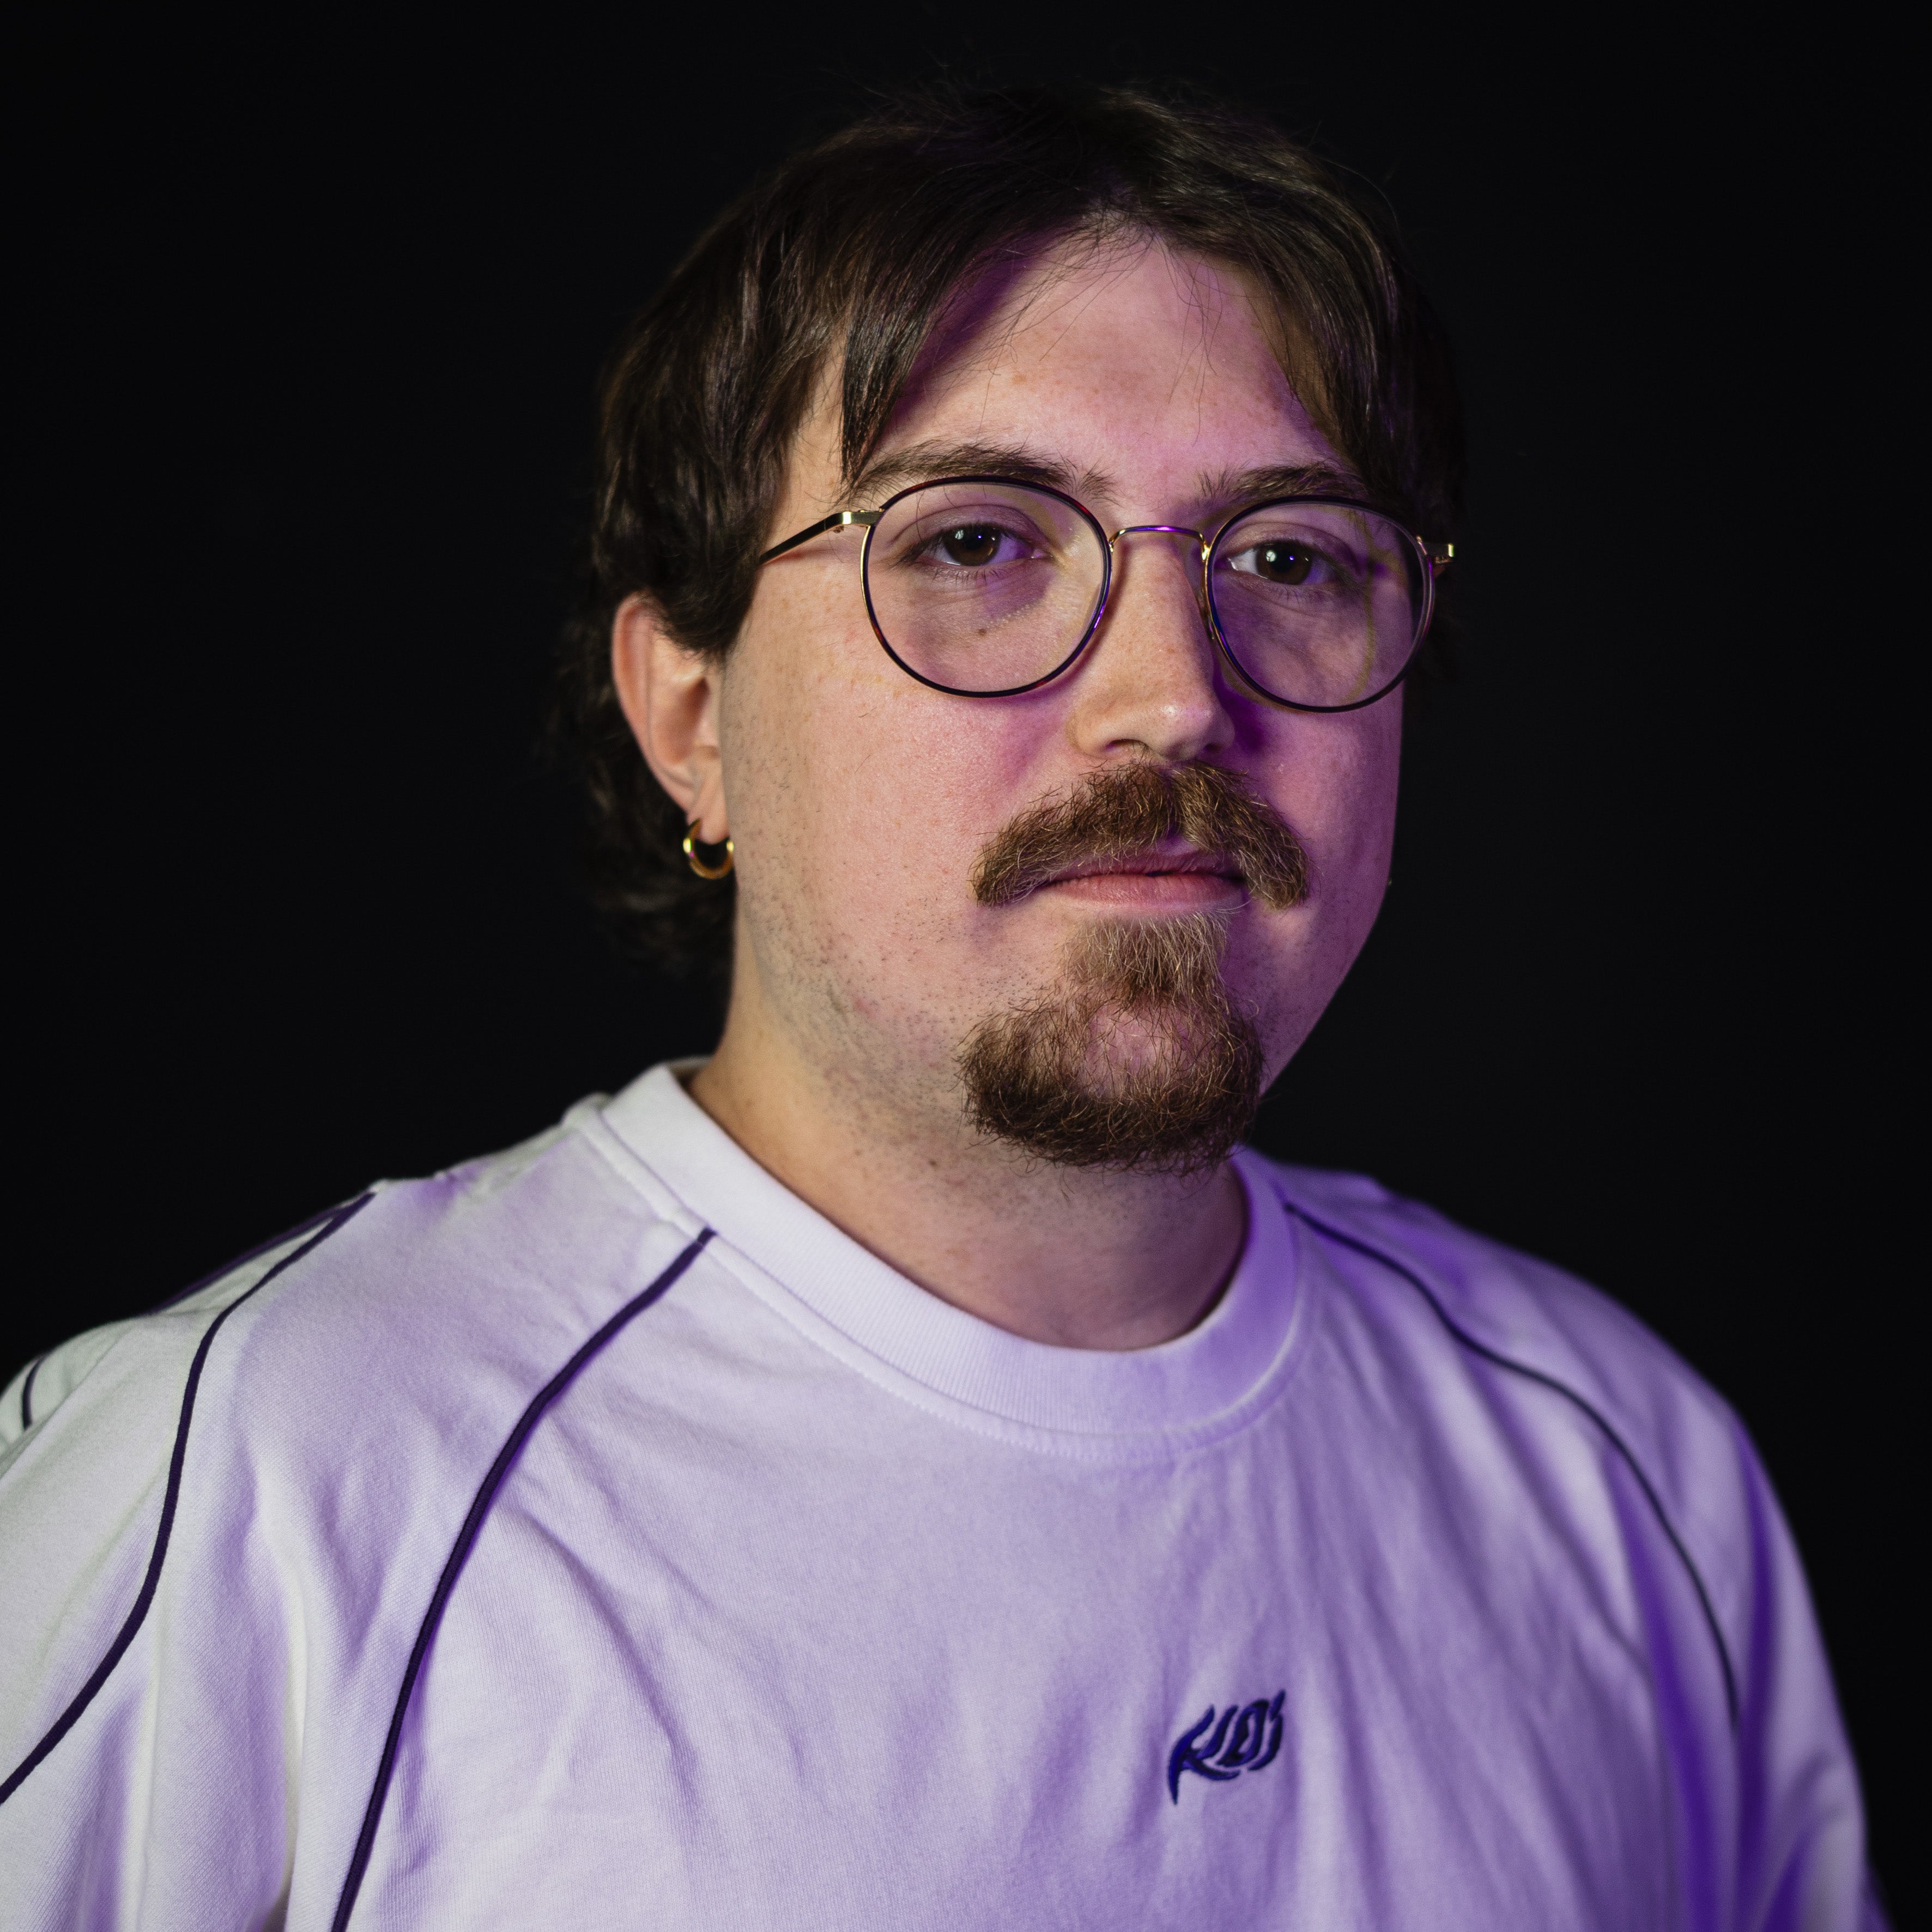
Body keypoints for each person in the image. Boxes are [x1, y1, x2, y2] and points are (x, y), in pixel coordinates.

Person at [0, 85, 1880, 1930]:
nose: (1172, 694)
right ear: (691, 717)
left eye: (1289, 557)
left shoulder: (1621, 1469)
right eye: (976, 542)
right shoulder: (262, 1482)